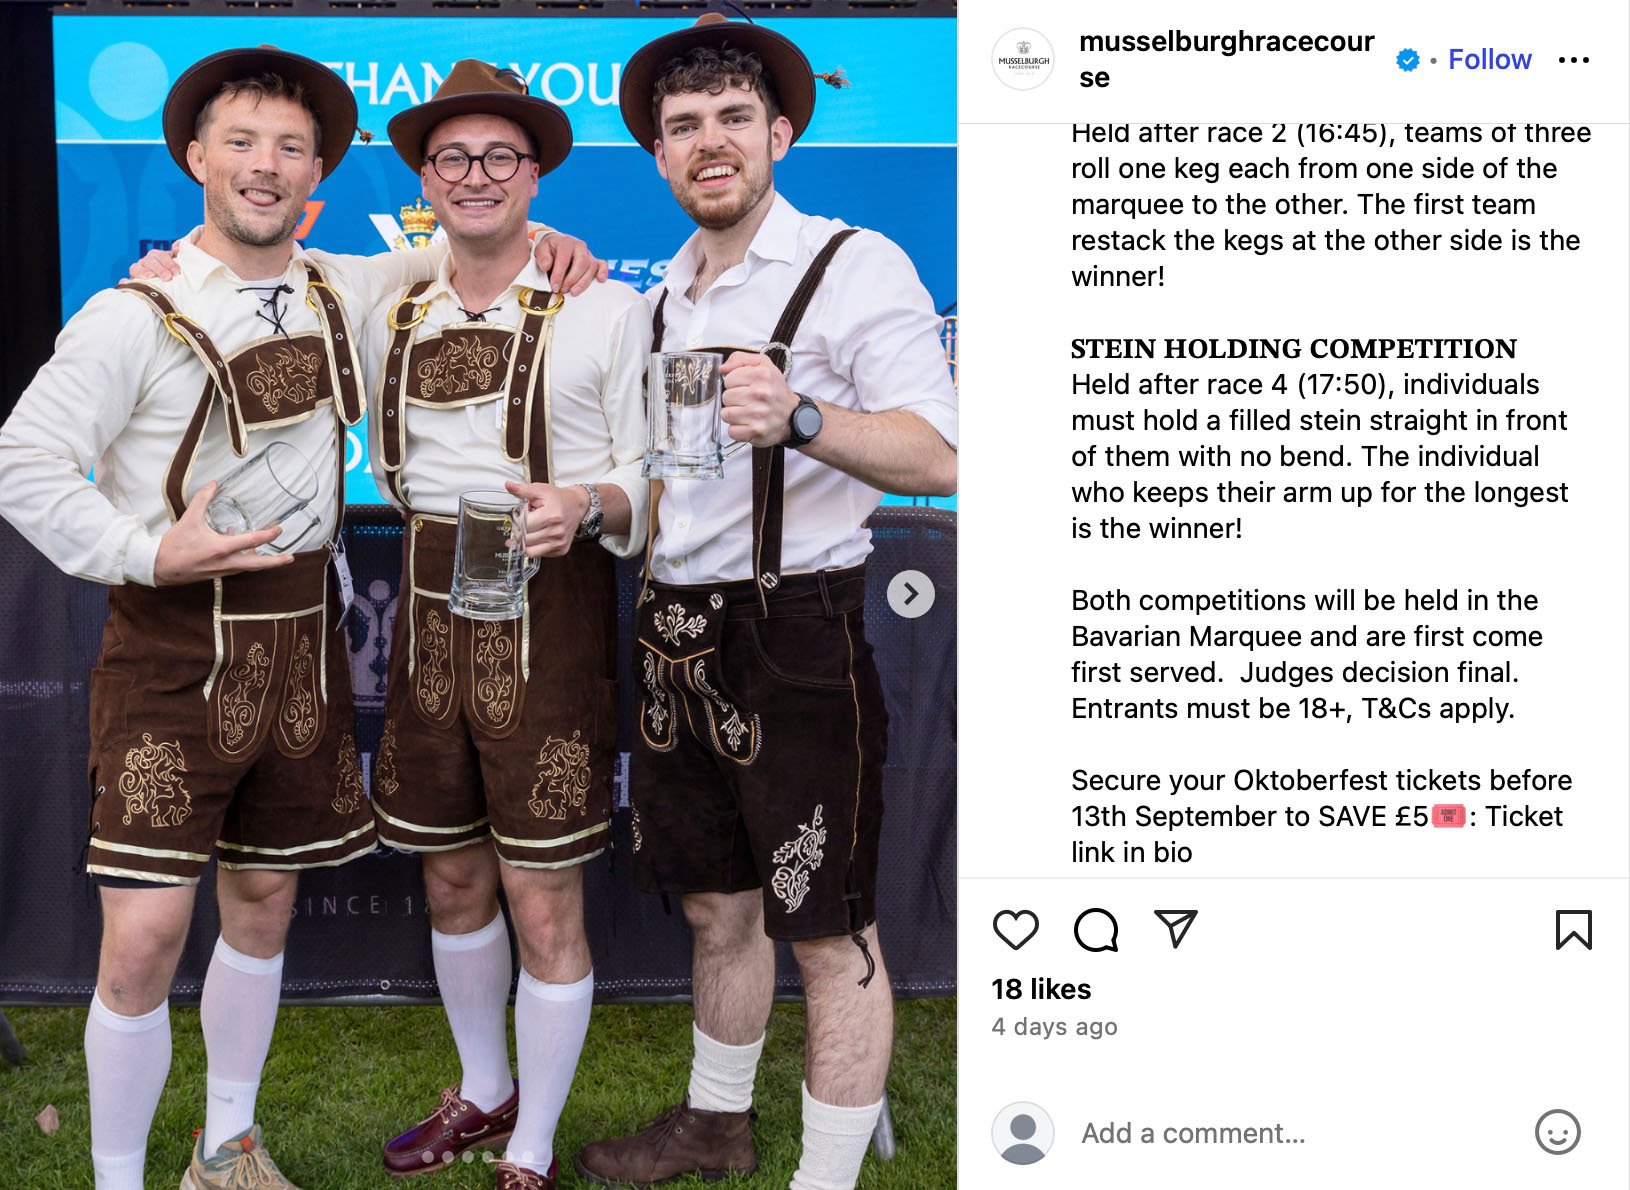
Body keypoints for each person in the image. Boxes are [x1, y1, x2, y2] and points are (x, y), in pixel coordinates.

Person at [0, 46, 596, 1190]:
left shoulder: (344, 284)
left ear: (318, 172)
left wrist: (552, 241)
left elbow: (469, 246)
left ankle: (226, 1149)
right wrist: (144, 549)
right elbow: (23, 458)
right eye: (241, 142)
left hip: (302, 641)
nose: (264, 165)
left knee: (264, 897)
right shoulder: (133, 312)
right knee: (142, 937)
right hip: (173, 643)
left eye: (289, 147)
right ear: (196, 157)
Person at [574, 15, 957, 1190]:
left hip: (796, 633)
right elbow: (661, 492)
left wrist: (801, 417)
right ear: (656, 153)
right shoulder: (660, 300)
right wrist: (593, 506)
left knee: (828, 926)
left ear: (779, 134)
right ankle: (715, 1123)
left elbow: (939, 454)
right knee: (715, 906)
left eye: (733, 118)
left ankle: (823, 1176)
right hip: (674, 628)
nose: (710, 142)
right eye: (683, 125)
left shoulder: (854, 262)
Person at [360, 61, 649, 1190]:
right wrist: (168, 259)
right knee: (449, 876)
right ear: (424, 177)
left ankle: (533, 1143)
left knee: (541, 891)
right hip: (429, 598)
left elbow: (651, 473)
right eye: (453, 157)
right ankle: (485, 1090)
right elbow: (260, 276)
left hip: (554, 600)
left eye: (499, 156)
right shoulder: (390, 304)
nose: (475, 175)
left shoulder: (608, 307)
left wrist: (590, 504)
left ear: (536, 173)